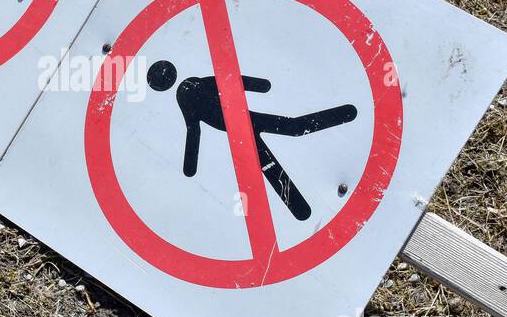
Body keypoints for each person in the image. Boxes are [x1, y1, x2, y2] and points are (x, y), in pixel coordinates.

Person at [146, 59, 356, 221]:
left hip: (239, 128)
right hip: (244, 120)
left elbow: (194, 129)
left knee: (270, 161)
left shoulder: (186, 94)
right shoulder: (193, 85)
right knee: (292, 130)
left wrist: (189, 166)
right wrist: (260, 85)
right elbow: (231, 83)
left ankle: (300, 209)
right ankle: (347, 113)